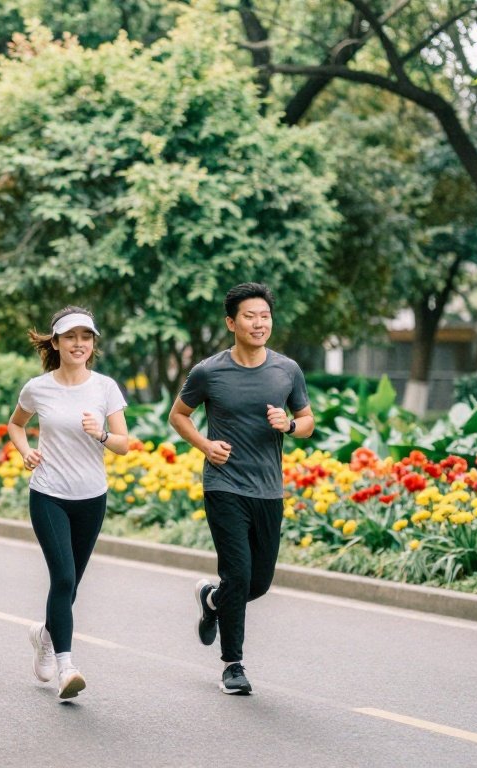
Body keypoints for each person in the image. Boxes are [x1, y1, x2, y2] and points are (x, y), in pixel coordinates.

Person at [167, 283, 314, 695]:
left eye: (265, 316)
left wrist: (289, 425)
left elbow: (307, 421)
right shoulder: (208, 371)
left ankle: (214, 600)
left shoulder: (287, 370)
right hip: (224, 484)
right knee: (239, 572)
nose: (259, 323)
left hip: (268, 489)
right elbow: (179, 415)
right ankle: (233, 665)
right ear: (232, 323)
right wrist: (205, 445)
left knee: (258, 583)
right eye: (250, 316)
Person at [7, 307, 129, 700]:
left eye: (86, 337)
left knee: (71, 583)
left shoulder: (105, 387)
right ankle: (66, 666)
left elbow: (124, 445)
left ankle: (45, 635)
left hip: (91, 497)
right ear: (56, 342)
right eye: (71, 337)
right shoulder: (38, 388)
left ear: (93, 344)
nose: (79, 344)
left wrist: (101, 434)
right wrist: (26, 450)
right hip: (48, 494)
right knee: (62, 577)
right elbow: (15, 424)